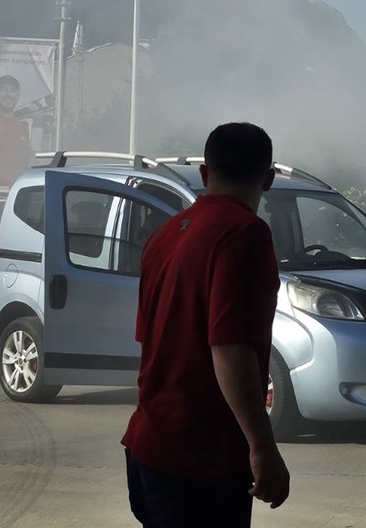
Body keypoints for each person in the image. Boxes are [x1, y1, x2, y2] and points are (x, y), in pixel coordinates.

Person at [122, 122, 290, 525]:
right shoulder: (245, 234)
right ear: (267, 179)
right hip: (201, 462)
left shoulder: (164, 236)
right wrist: (261, 446)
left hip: (147, 449)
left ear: (203, 174)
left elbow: (148, 339)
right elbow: (230, 348)